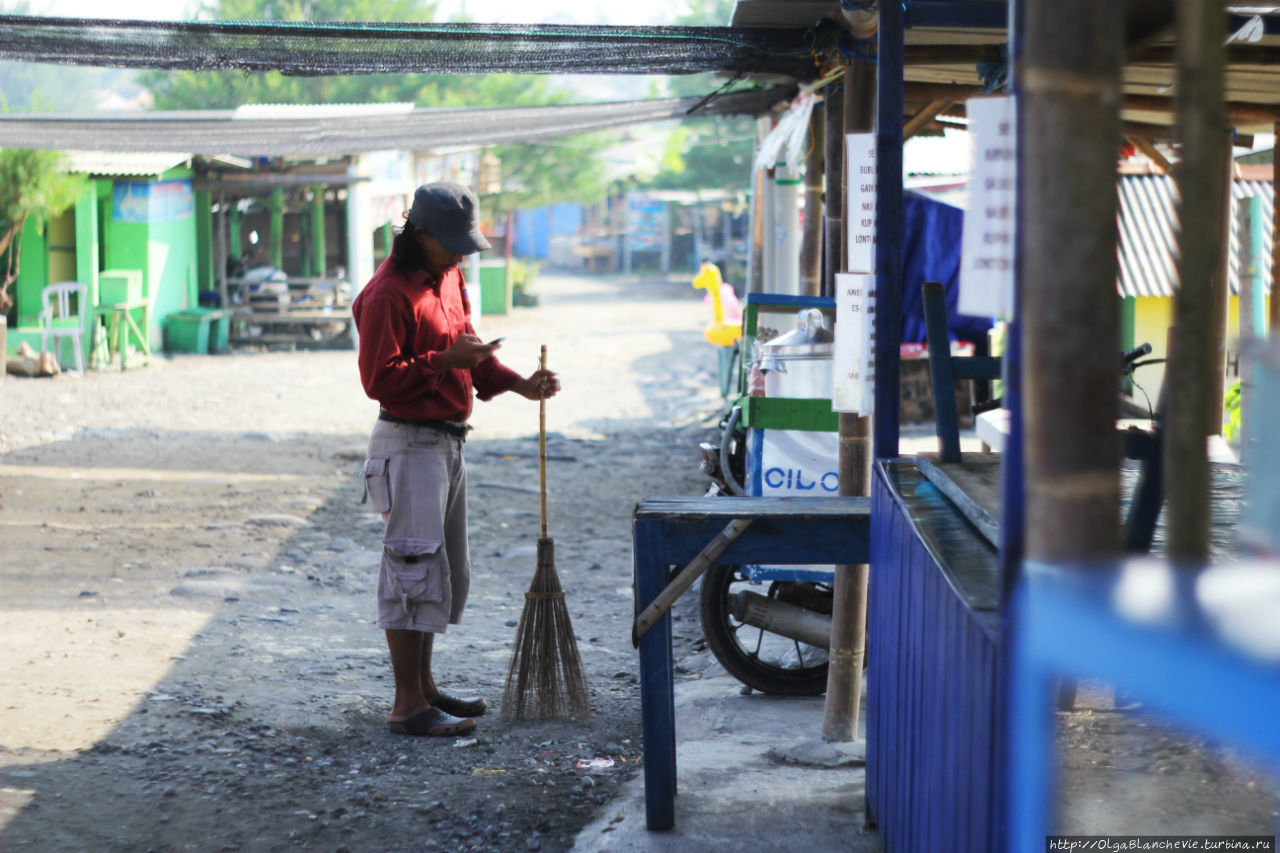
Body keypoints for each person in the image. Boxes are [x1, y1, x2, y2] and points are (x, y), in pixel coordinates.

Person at [352, 182, 559, 737]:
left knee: (440, 572)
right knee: (412, 569)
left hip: (445, 443)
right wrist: (442, 360)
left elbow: (469, 352)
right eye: (452, 243)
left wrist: (520, 385)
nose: (462, 253)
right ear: (419, 235)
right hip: (409, 442)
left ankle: (424, 688)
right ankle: (407, 707)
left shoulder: (448, 278)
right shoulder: (386, 294)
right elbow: (379, 381)